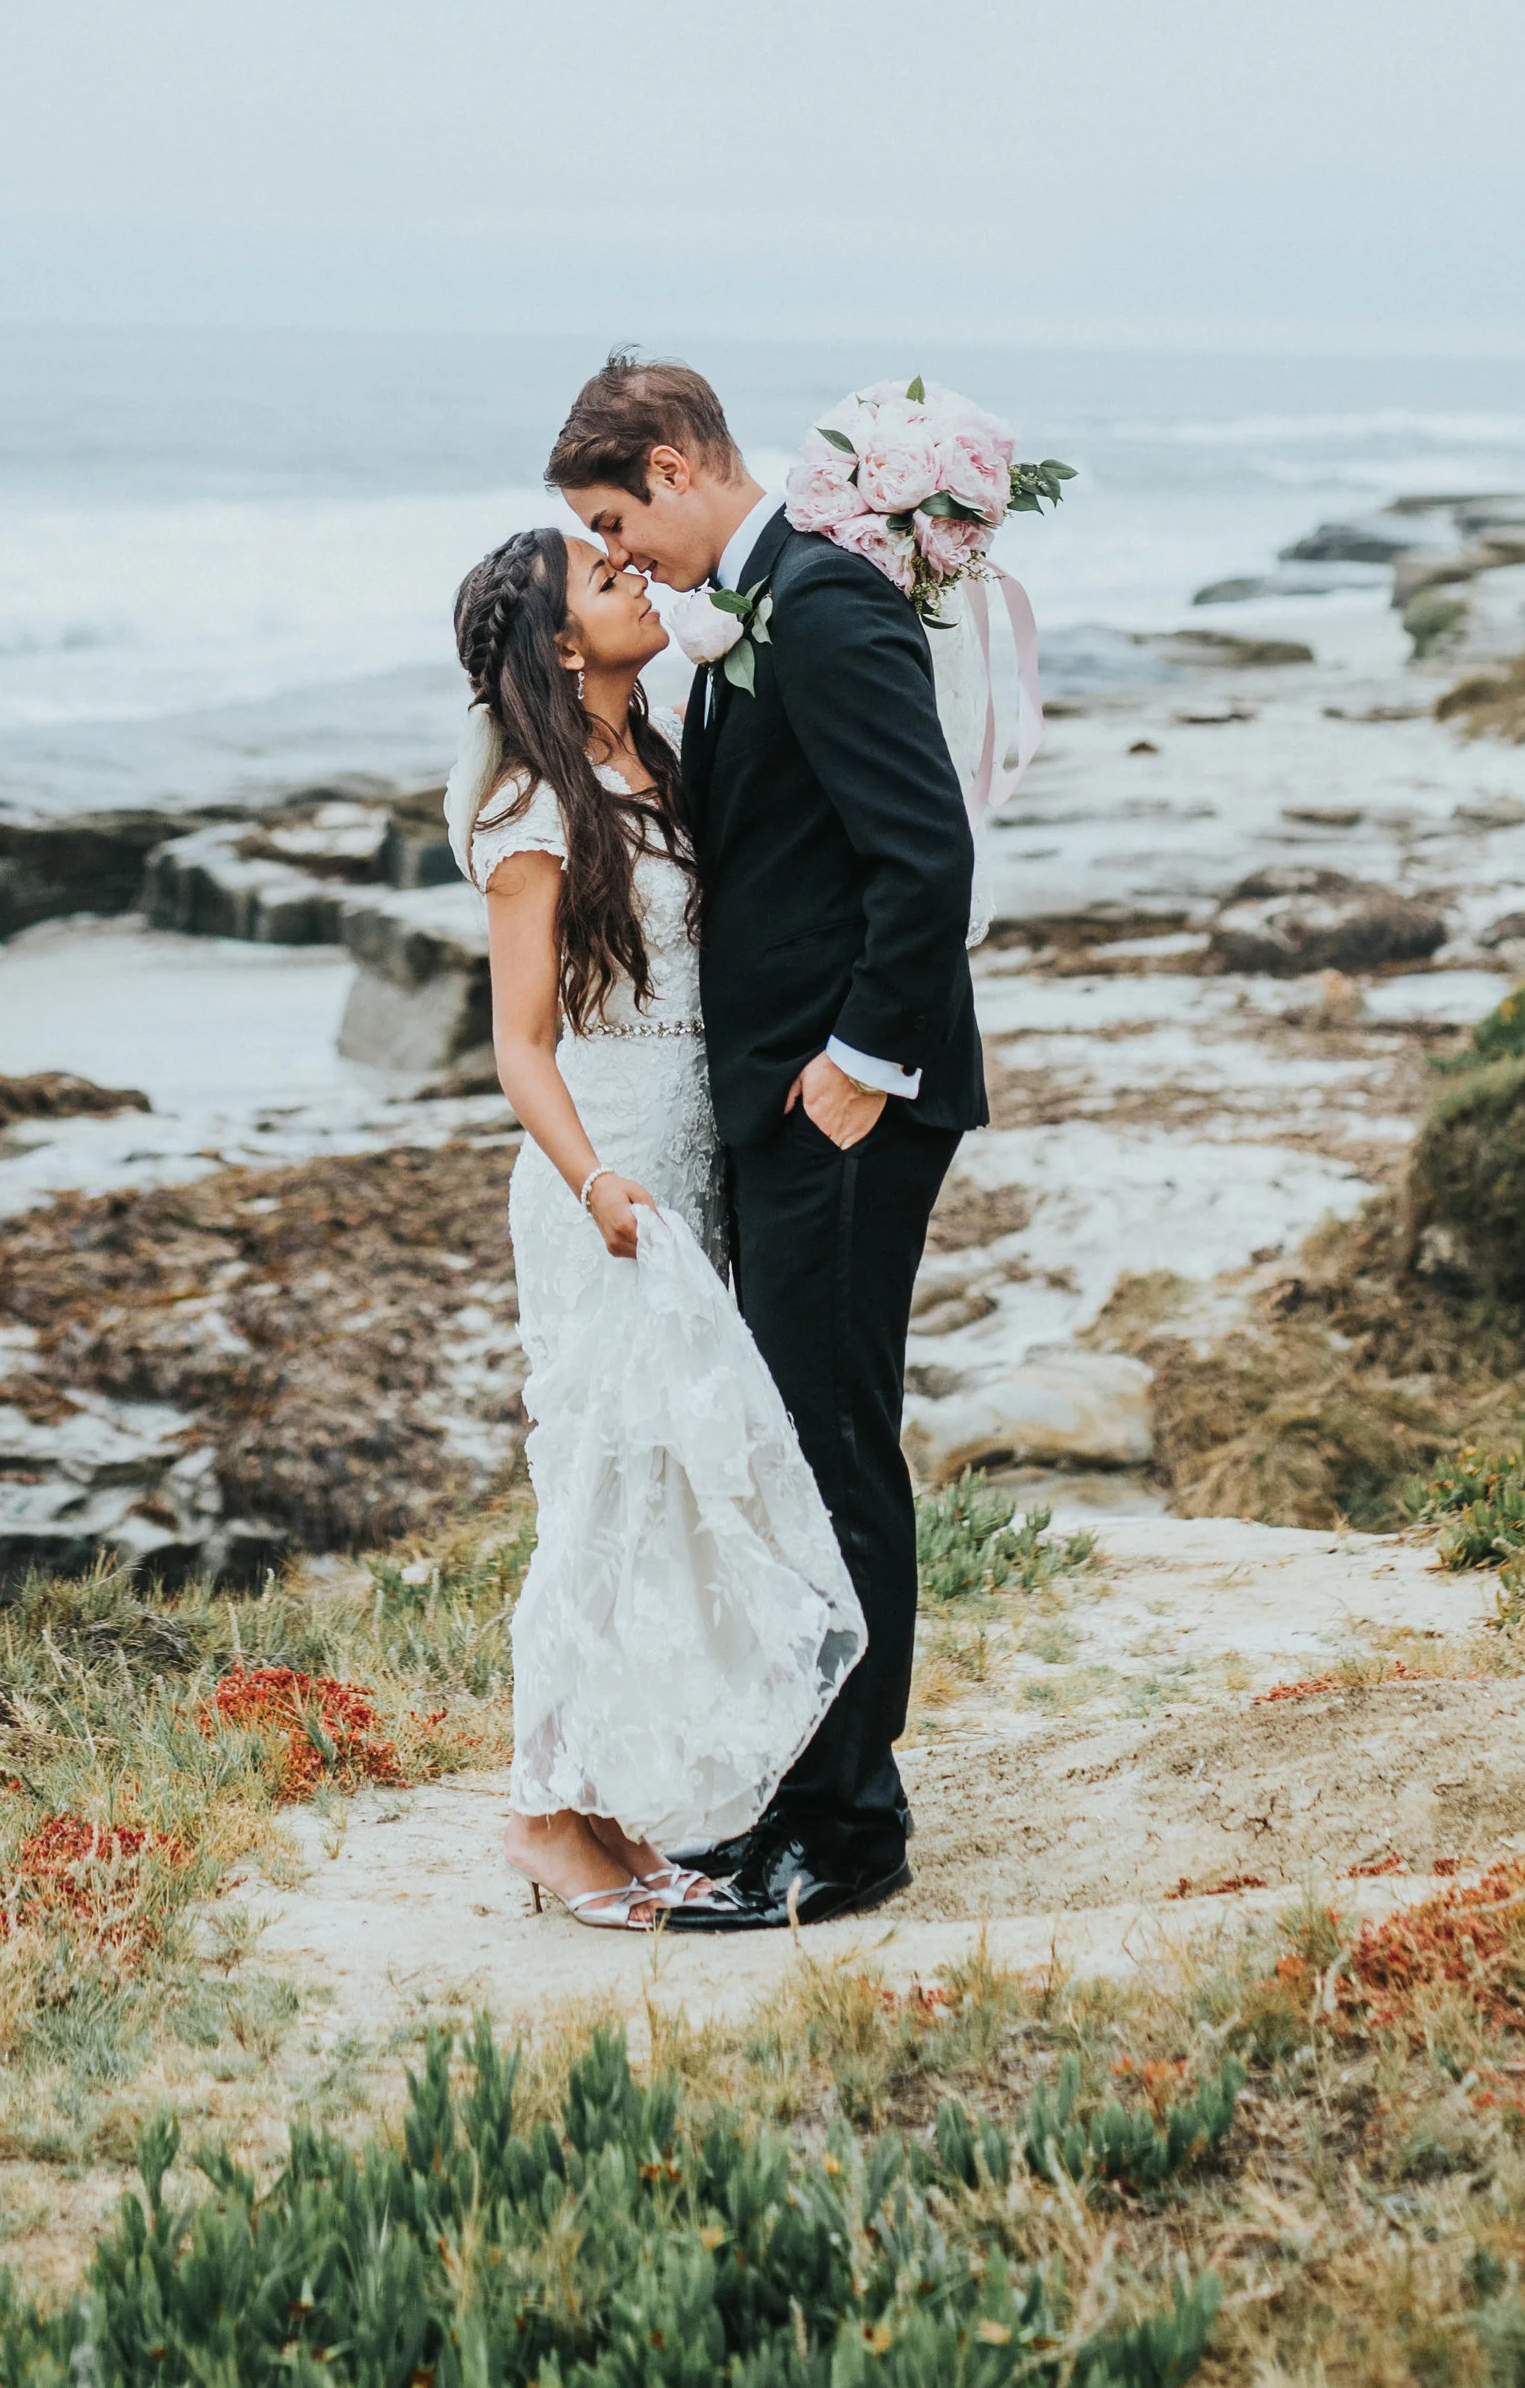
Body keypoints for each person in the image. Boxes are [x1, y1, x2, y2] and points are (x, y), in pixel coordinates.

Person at [548, 353, 985, 1931]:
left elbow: (925, 850)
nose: (621, 553)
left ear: (673, 465)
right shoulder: (753, 612)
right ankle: (800, 1801)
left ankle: (850, 1831)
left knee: (830, 1454)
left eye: (617, 519)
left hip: (847, 1105)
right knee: (793, 1451)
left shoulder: (826, 599)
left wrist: (864, 1060)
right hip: (786, 1110)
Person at [449, 522, 865, 1929]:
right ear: (562, 643)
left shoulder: (660, 757)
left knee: (664, 1488)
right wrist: (593, 1183)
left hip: (691, 1157)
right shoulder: (530, 810)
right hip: (608, 1174)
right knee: (600, 1485)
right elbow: (519, 1047)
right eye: (602, 573)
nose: (632, 573)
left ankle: (610, 1810)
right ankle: (542, 1813)